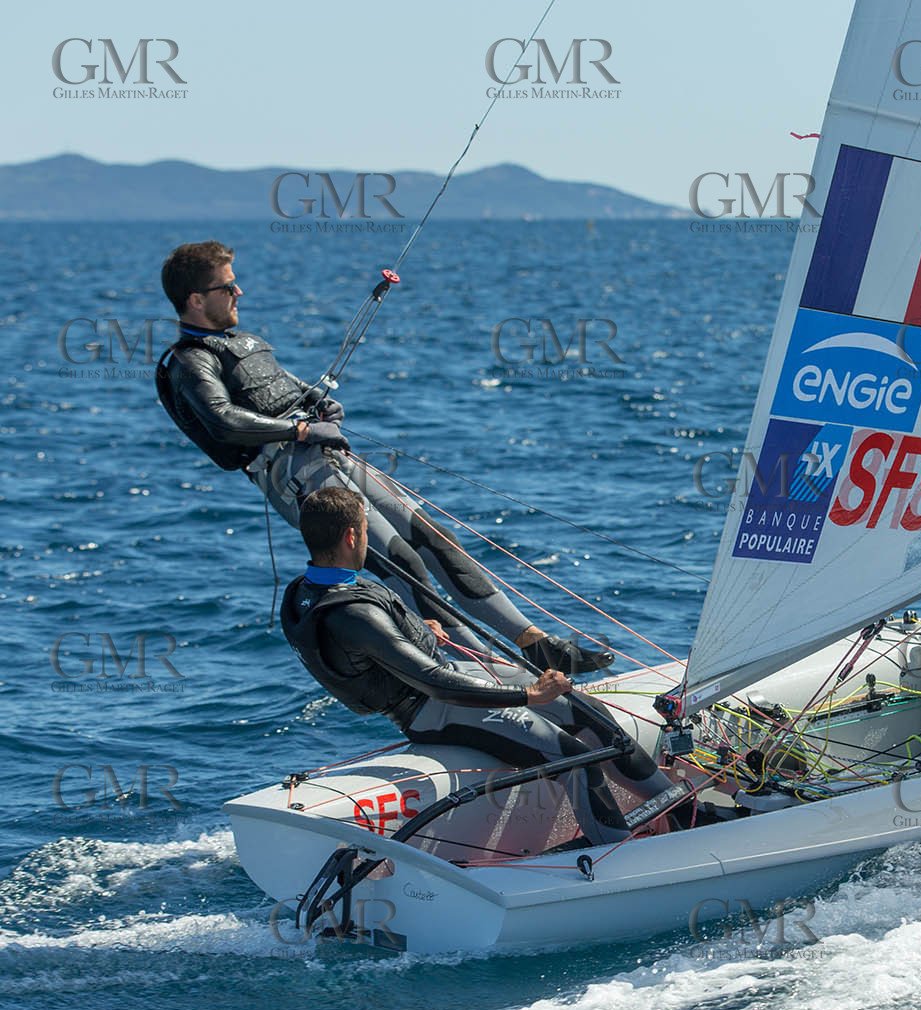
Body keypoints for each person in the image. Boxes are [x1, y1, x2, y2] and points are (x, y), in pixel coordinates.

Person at [155, 238, 608, 674]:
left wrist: (317, 403)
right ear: (196, 300)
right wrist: (302, 428)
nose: (239, 291)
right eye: (227, 286)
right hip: (294, 476)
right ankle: (495, 673)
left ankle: (537, 646)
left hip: (329, 457)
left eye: (235, 282)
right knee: (400, 564)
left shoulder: (243, 342)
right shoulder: (190, 361)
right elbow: (222, 419)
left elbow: (286, 390)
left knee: (435, 539)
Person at [280, 487, 679, 845]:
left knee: (591, 714)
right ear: (351, 536)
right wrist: (530, 695)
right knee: (577, 759)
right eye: (366, 531)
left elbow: (370, 651)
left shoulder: (304, 590)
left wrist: (416, 633)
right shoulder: (354, 616)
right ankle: (616, 854)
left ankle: (676, 807)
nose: (368, 539)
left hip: (454, 677)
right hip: (436, 708)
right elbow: (435, 683)